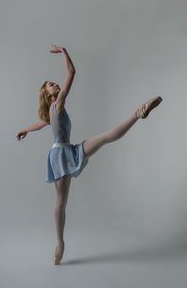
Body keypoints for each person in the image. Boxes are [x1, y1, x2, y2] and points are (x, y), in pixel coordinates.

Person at [16, 45, 163, 265]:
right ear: (47, 93)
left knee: (104, 138)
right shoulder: (58, 102)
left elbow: (41, 124)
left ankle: (138, 113)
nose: (56, 84)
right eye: (51, 84)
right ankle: (60, 242)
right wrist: (64, 51)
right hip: (60, 154)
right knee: (61, 202)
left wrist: (25, 130)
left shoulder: (53, 109)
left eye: (55, 83)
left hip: (69, 148)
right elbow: (71, 72)